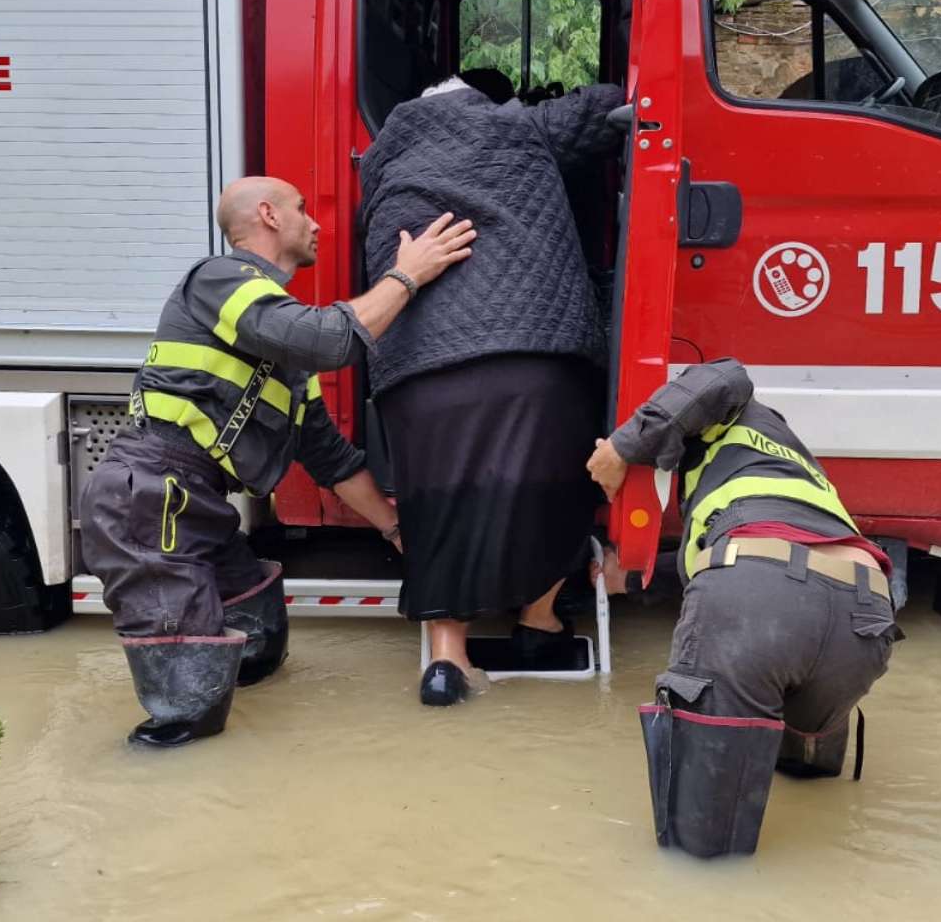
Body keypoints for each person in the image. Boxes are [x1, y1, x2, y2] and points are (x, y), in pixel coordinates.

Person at [79, 176, 475, 747]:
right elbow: (329, 340)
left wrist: (395, 530)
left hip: (196, 504)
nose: (316, 224)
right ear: (267, 215)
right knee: (187, 709)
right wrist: (407, 275)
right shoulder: (219, 278)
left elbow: (331, 459)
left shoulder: (284, 359)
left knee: (260, 639)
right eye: (303, 209)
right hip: (150, 500)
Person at [358, 75, 626, 706]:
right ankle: (538, 624)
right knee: (556, 486)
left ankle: (448, 662)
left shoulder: (380, 161)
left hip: (417, 367)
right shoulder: (516, 125)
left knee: (436, 501)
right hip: (530, 351)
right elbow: (608, 106)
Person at [585, 358, 901, 857]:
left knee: (703, 846)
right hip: (864, 612)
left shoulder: (732, 407)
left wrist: (623, 447)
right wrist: (634, 578)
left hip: (755, 601)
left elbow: (725, 374)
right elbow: (754, 551)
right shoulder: (786, 459)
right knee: (807, 777)